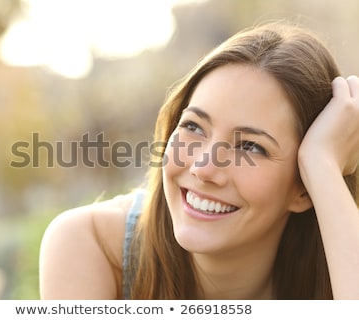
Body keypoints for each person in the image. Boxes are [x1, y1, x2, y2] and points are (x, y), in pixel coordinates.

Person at [39, 21, 359, 300]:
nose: (204, 168)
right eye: (193, 126)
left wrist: (323, 166)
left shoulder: (336, 267)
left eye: (250, 146)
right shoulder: (89, 245)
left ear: (304, 190)